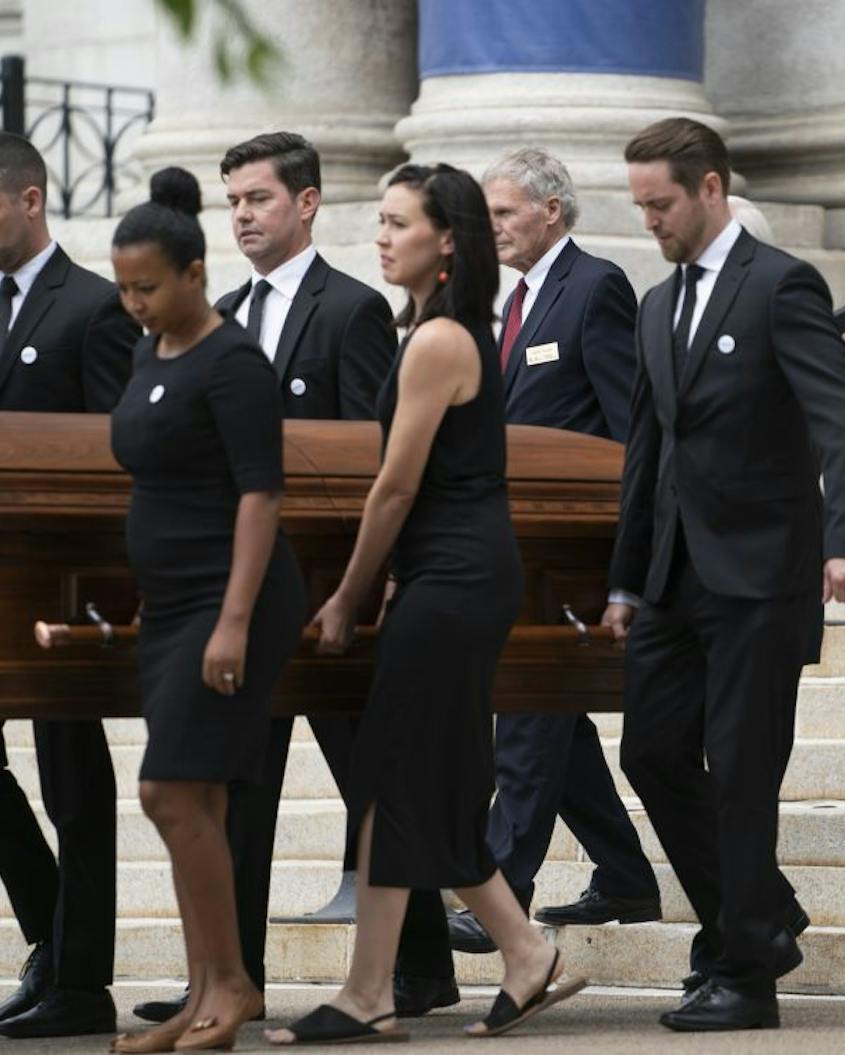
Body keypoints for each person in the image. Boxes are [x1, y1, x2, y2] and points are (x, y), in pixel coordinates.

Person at [265, 163, 583, 1045]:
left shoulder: (442, 339)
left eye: (400, 222)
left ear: (448, 239)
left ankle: (374, 991)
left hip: (454, 577)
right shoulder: (432, 331)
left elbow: (394, 488)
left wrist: (345, 596)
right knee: (417, 784)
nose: (382, 236)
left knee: (394, 778)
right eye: (381, 221)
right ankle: (519, 948)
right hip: (447, 576)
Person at [127, 130, 429, 1027]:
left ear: (305, 203)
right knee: (239, 782)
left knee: (367, 777)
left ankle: (419, 968)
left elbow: (377, 458)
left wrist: (368, 583)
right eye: (233, 202)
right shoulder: (212, 311)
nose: (243, 216)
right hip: (235, 589)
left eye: (258, 198)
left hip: (326, 590)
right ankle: (229, 978)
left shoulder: (352, 309)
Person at [603, 117, 845, 1032]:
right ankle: (757, 920)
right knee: (650, 751)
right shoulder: (655, 305)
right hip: (676, 578)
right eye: (640, 205)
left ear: (711, 188)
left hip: (763, 574)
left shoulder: (780, 285)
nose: (651, 221)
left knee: (744, 769)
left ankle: (744, 974)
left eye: (662, 203)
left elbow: (842, 414)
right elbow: (646, 450)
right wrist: (624, 581)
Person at [0, 131, 135, 1040]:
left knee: (73, 776)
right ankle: (55, 939)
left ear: (33, 199)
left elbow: (122, 446)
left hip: (64, 577)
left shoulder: (94, 306)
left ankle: (81, 983)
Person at [106, 167, 308, 1053]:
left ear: (193, 272)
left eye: (147, 287)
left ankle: (232, 983)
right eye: (123, 287)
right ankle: (203, 995)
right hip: (173, 601)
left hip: (232, 601)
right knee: (197, 801)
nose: (134, 303)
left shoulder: (235, 362)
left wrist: (231, 620)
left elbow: (260, 496)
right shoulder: (152, 352)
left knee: (167, 789)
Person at [446, 147, 658, 955]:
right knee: (552, 720)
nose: (491, 227)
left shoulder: (594, 286)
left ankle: (502, 888)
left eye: (504, 213)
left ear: (552, 212)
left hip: (574, 547)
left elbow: (628, 430)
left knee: (531, 714)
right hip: (518, 541)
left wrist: (621, 554)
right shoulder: (516, 302)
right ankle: (626, 875)